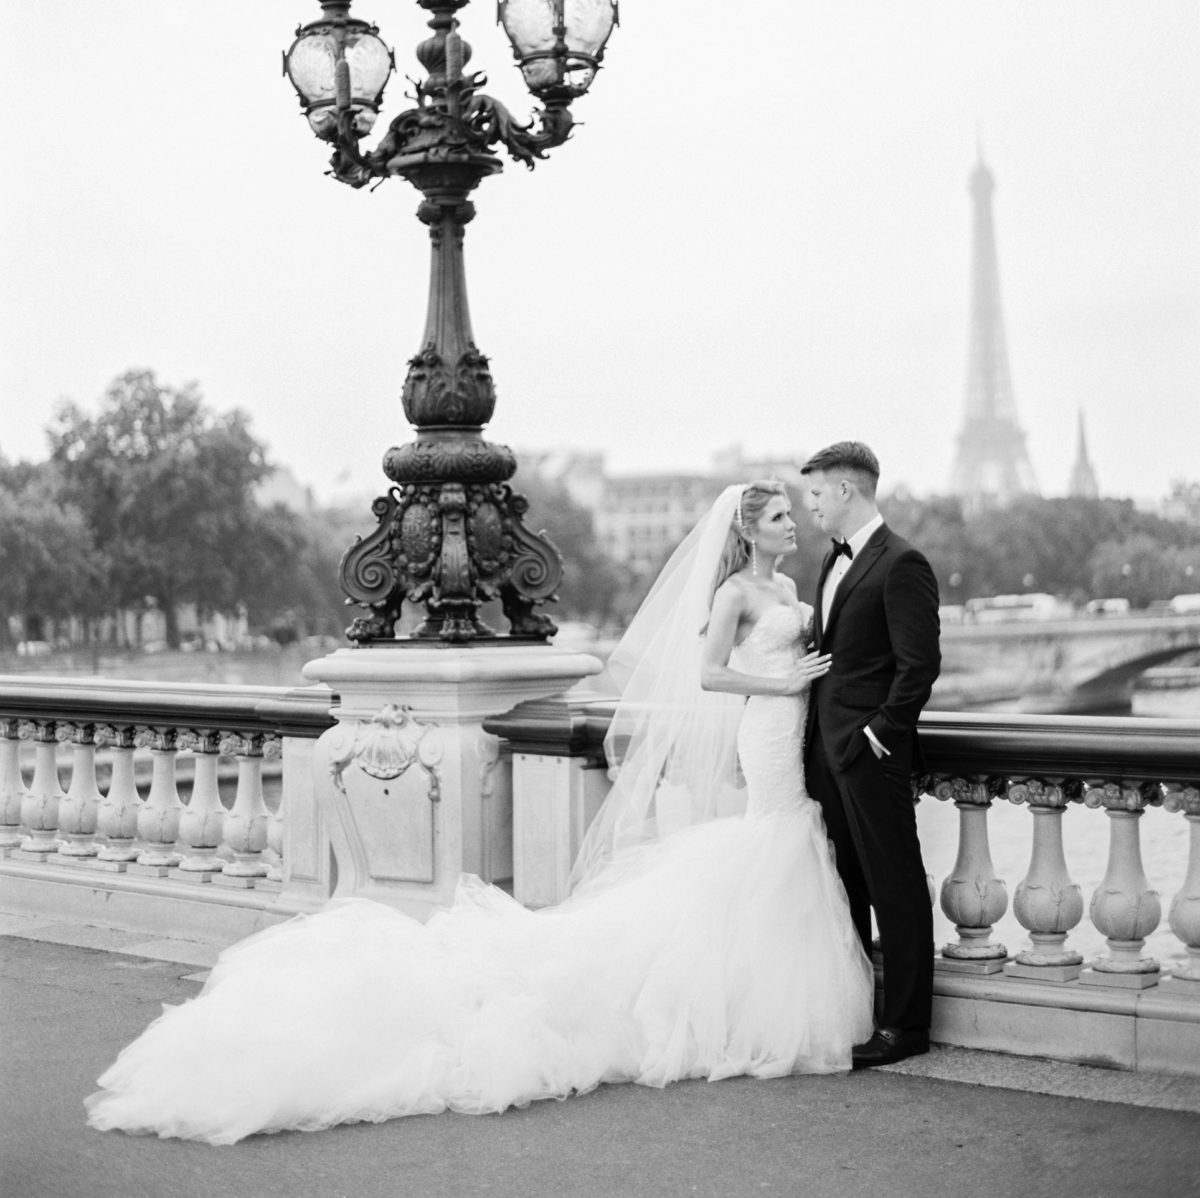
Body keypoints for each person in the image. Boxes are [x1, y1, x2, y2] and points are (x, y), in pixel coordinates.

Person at [86, 481, 874, 1144]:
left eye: (794, 517)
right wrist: (782, 685)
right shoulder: (736, 591)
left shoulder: (790, 590)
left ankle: (739, 995)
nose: (792, 525)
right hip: (768, 727)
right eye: (779, 517)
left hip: (788, 730)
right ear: (748, 529)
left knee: (768, 849)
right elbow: (708, 675)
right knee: (770, 842)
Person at [799, 441, 941, 1068]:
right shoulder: (829, 562)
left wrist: (880, 735)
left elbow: (919, 667)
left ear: (848, 491)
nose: (811, 508)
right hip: (824, 754)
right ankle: (859, 1013)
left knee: (896, 888)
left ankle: (905, 1027)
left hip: (868, 754)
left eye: (816, 494)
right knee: (846, 889)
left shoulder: (903, 563)